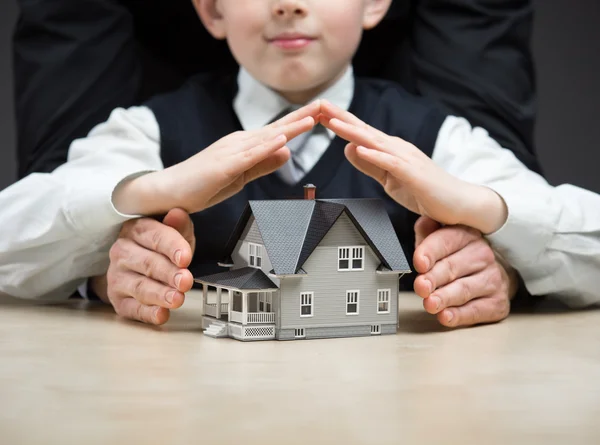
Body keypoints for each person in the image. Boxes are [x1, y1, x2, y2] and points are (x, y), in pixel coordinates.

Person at [0, 0, 545, 328]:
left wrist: (496, 241)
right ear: (213, 9)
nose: (287, 2)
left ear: (375, 3)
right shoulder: (147, 128)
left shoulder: (435, 135)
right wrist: (142, 197)